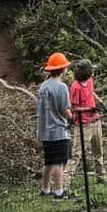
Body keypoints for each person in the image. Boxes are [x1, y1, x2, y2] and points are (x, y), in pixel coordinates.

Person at [37, 52, 73, 199]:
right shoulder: (61, 87)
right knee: (59, 162)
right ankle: (59, 192)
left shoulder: (43, 86)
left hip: (45, 131)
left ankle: (45, 189)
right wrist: (72, 119)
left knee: (49, 161)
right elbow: (64, 109)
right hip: (58, 130)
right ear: (63, 69)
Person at [66, 58, 107, 185]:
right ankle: (65, 184)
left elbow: (92, 93)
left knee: (98, 151)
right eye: (91, 70)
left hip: (95, 121)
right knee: (76, 155)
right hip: (83, 125)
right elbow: (73, 108)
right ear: (85, 71)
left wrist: (101, 103)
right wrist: (91, 108)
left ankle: (101, 178)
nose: (93, 72)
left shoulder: (89, 81)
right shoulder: (75, 87)